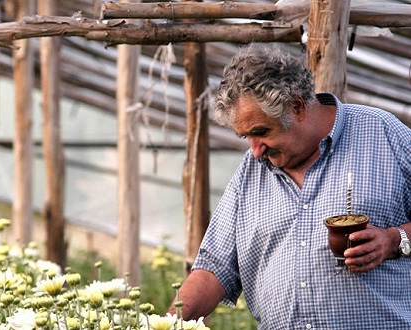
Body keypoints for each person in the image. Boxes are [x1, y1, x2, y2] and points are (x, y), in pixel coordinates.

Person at [169, 43, 411, 329]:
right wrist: (160, 324)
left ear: (297, 106)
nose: (255, 150)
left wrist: (393, 240)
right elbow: (214, 269)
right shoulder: (250, 171)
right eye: (246, 136)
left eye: (261, 132)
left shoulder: (382, 135)